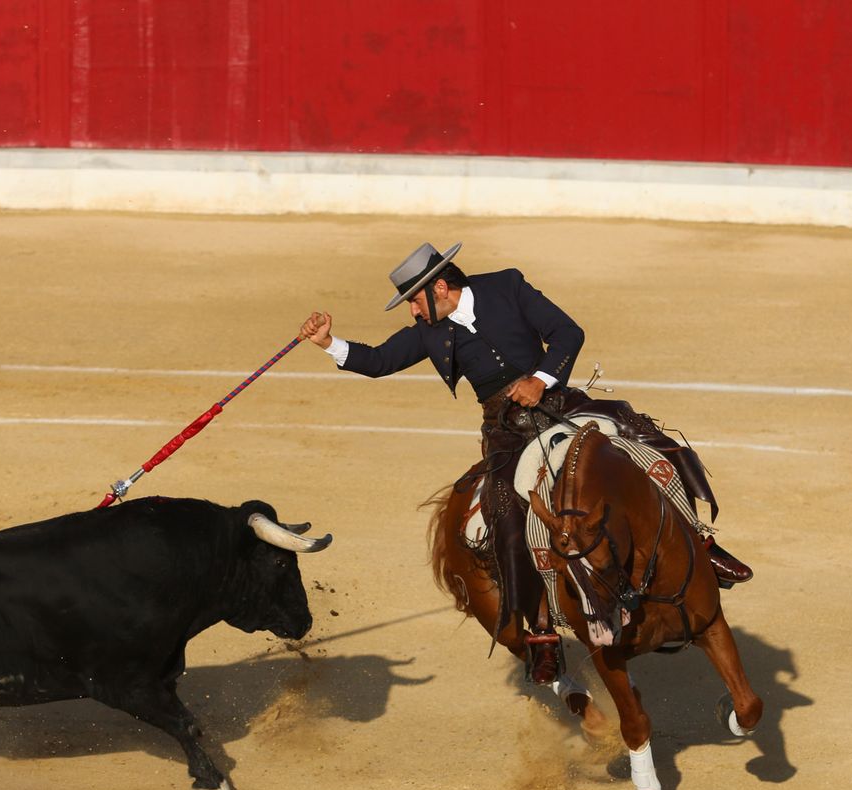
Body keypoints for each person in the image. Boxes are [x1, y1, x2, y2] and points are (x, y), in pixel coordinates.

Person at [299, 241, 752, 683]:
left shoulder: (507, 287)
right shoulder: (429, 332)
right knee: (503, 511)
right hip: (505, 430)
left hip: (560, 401)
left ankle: (703, 545)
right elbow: (379, 360)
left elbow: (567, 333)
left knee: (650, 441)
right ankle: (539, 630)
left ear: (439, 287)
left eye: (413, 301)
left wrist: (539, 379)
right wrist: (328, 343)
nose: (413, 312)